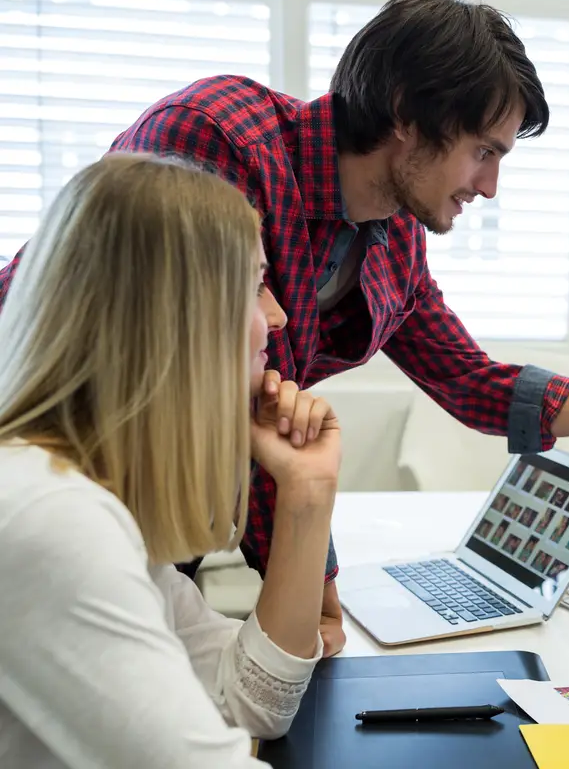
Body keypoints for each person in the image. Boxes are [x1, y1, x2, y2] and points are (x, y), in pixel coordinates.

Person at [0, 0, 569, 654]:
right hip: (55, 496)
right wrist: (310, 582)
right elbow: (209, 381)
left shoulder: (392, 238)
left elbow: (477, 385)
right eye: (484, 150)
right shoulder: (218, 138)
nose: (491, 186)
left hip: (143, 525)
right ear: (409, 113)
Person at [0, 155, 338, 765]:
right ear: (175, 317)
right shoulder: (52, 517)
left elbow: (247, 704)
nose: (277, 319)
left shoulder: (92, 498)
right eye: (255, 286)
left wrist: (307, 492)